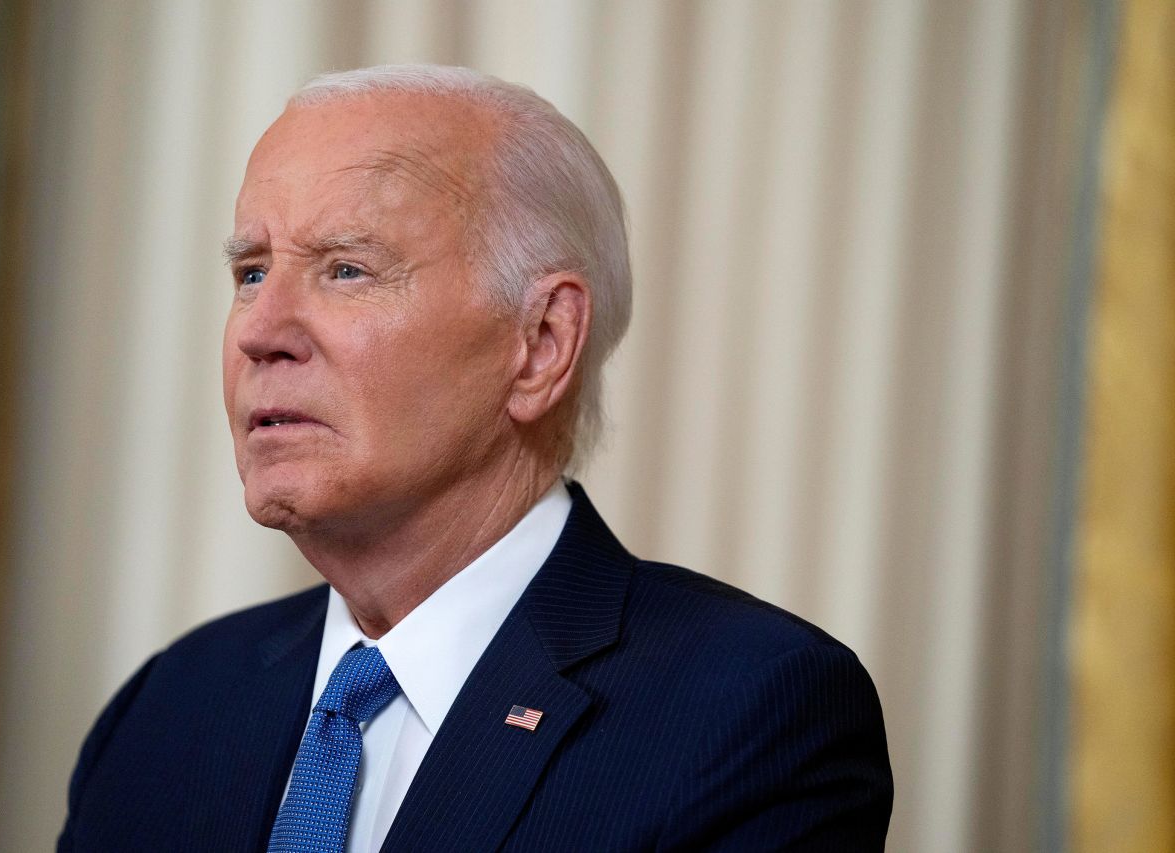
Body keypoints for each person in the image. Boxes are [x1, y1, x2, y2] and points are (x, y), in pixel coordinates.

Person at [58, 64, 892, 852]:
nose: (258, 331)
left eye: (345, 269)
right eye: (249, 272)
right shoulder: (169, 706)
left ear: (539, 344)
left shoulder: (749, 714)